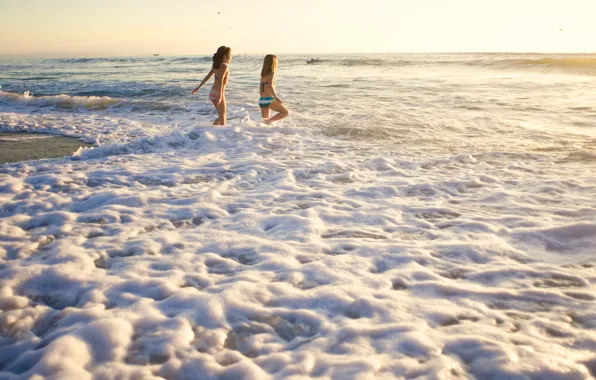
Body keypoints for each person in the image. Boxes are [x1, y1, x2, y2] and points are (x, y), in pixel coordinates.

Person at [192, 46, 232, 125]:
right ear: (225, 56)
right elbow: (220, 81)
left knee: (221, 115)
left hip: (213, 93)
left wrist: (198, 87)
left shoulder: (216, 66)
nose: (230, 56)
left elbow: (207, 77)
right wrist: (220, 96)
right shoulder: (224, 66)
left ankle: (213, 130)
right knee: (223, 116)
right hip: (218, 93)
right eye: (229, 54)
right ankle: (221, 134)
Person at [259, 55, 289, 124]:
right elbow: (270, 86)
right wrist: (276, 97)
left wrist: (262, 98)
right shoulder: (272, 73)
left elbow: (261, 88)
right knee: (285, 112)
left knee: (265, 123)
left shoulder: (263, 74)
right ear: (274, 62)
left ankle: (262, 132)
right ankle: (268, 121)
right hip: (268, 99)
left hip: (262, 100)